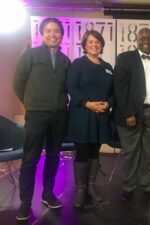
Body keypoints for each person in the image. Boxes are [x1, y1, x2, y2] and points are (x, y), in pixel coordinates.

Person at [13, 17, 71, 220]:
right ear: (42, 34)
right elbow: (18, 84)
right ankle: (25, 202)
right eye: (48, 30)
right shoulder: (30, 55)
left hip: (59, 116)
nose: (53, 34)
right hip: (37, 115)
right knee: (30, 159)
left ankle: (47, 193)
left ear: (62, 35)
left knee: (54, 156)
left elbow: (67, 88)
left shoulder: (65, 61)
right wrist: (32, 104)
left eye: (56, 31)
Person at [113, 28, 150, 201]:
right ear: (137, 39)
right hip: (132, 113)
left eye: (148, 37)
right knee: (130, 151)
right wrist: (129, 112)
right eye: (142, 37)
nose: (145, 39)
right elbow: (120, 88)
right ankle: (128, 186)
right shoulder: (125, 58)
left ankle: (148, 185)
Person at [67, 30, 114, 208]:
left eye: (97, 42)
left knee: (95, 151)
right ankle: (80, 189)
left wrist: (108, 104)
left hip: (101, 116)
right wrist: (88, 104)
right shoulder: (78, 64)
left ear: (102, 44)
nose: (94, 44)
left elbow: (113, 92)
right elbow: (72, 86)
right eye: (90, 42)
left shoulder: (108, 66)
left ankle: (91, 188)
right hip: (82, 115)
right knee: (82, 152)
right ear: (85, 45)